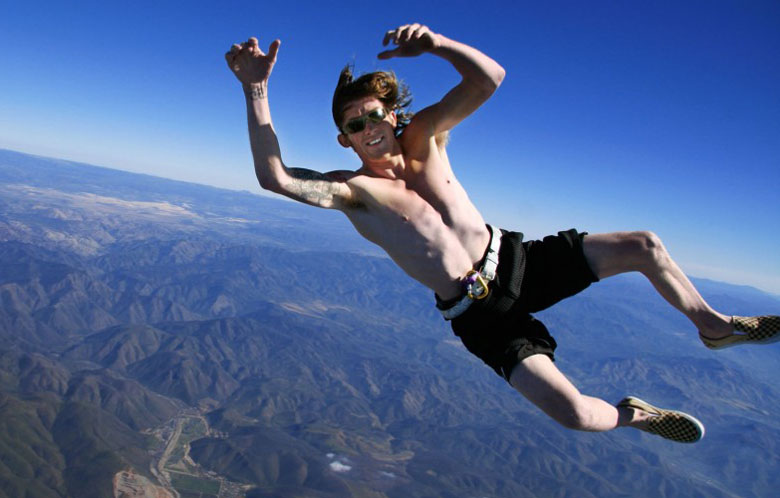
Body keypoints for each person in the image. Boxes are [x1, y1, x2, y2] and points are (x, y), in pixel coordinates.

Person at [224, 23, 779, 443]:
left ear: (391, 116)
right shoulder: (356, 193)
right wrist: (256, 90)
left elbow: (489, 77)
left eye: (372, 115)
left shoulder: (427, 136)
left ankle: (713, 326)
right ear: (343, 140)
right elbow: (275, 177)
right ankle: (636, 414)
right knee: (578, 415)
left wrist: (436, 42)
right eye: (352, 125)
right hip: (480, 315)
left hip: (517, 260)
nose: (367, 129)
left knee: (644, 245)